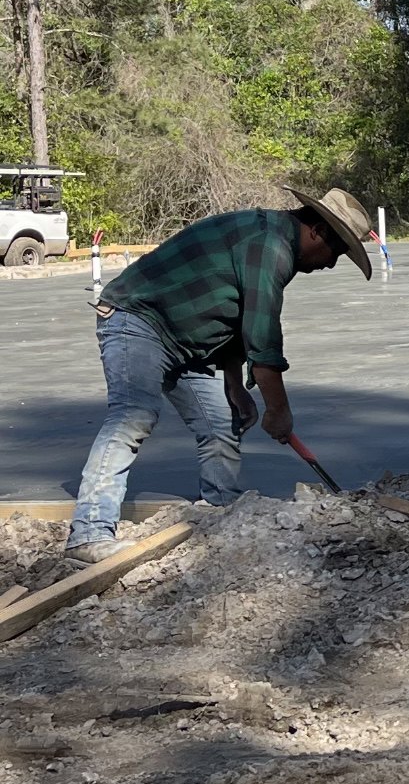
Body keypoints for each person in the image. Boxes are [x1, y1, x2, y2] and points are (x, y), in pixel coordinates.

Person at [66, 187, 373, 562]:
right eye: (337, 252)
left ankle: (220, 514)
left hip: (186, 342)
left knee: (222, 424)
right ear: (318, 232)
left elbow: (237, 317)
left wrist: (234, 384)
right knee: (134, 416)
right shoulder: (271, 245)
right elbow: (263, 339)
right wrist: (278, 412)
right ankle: (89, 534)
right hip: (138, 321)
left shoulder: (274, 241)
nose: (330, 264)